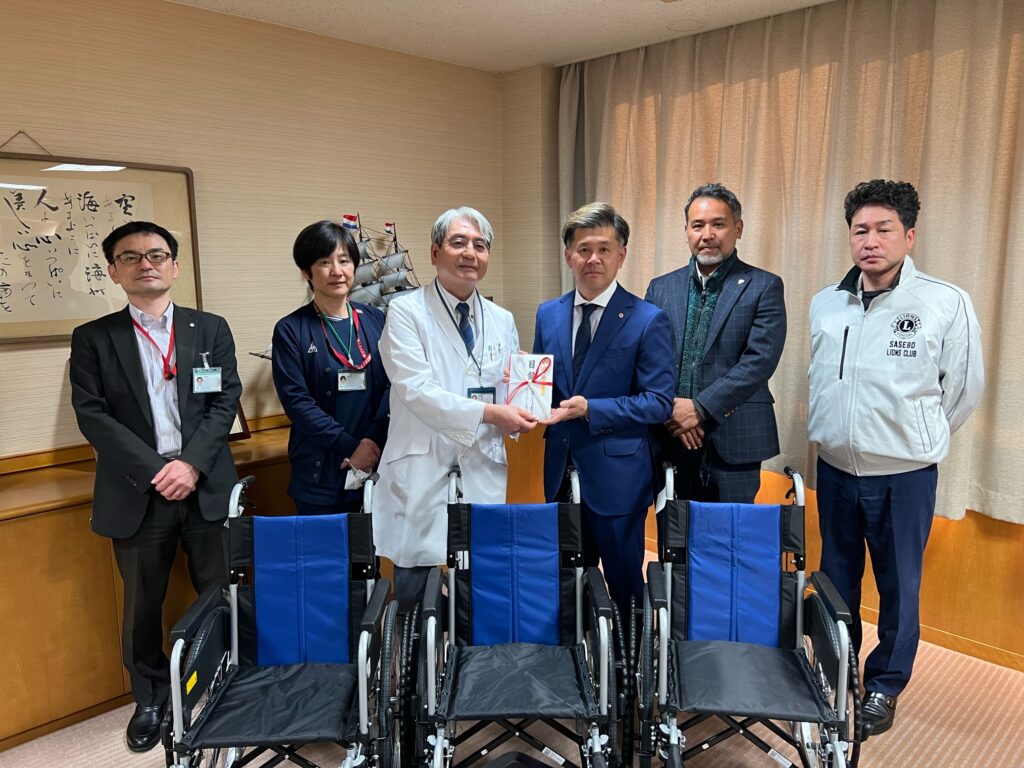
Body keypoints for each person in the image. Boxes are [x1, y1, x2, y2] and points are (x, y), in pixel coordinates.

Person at [808, 179, 984, 738]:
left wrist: (914, 437)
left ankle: (884, 685)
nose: (870, 241)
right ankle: (836, 669)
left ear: (909, 236)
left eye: (884, 229)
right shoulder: (826, 302)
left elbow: (964, 389)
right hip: (835, 470)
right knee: (836, 578)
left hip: (903, 476)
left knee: (899, 586)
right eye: (860, 230)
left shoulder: (943, 302)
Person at [69, 221, 241, 752]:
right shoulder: (94, 338)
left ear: (174, 265)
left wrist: (190, 465)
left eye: (157, 254)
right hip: (138, 490)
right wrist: (156, 470)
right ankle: (150, 698)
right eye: (131, 257)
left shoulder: (209, 328)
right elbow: (93, 415)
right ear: (113, 271)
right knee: (143, 604)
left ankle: (227, 681)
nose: (146, 264)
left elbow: (224, 400)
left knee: (222, 591)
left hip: (204, 482)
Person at [374, 207, 538, 610]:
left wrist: (523, 394)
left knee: (478, 577)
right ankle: (416, 649)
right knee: (416, 580)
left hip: (481, 460)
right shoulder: (405, 312)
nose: (470, 253)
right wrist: (490, 414)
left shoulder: (501, 319)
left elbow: (505, 387)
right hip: (423, 461)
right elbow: (415, 390)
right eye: (458, 242)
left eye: (480, 246)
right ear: (435, 252)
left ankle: (470, 648)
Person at [534, 202, 674, 613]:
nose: (592, 258)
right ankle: (576, 648)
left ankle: (629, 652)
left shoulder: (648, 319)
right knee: (566, 579)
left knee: (625, 583)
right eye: (583, 249)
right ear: (568, 255)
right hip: (560, 469)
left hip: (618, 477)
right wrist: (522, 395)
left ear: (621, 255)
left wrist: (591, 409)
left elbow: (658, 403)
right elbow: (544, 389)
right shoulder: (548, 314)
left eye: (604, 249)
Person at [645, 183, 786, 502]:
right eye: (698, 225)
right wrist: (672, 410)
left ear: (738, 228)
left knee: (728, 531)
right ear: (686, 231)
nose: (707, 234)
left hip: (735, 438)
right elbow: (647, 358)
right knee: (673, 528)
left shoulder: (763, 286)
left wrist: (698, 409)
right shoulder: (661, 288)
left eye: (718, 224)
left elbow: (759, 361)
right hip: (668, 435)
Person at [272, 221, 390, 514]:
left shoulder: (377, 319)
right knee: (325, 544)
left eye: (344, 261)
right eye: (325, 262)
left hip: (379, 463)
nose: (337, 271)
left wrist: (372, 442)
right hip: (321, 472)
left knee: (376, 544)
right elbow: (298, 403)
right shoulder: (291, 330)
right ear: (306, 272)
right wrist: (353, 447)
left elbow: (394, 385)